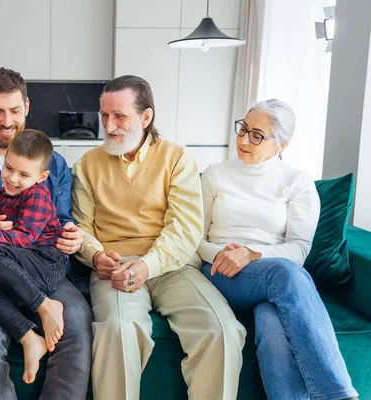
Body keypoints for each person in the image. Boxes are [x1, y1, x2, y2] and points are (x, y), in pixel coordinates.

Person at [72, 74, 246, 400]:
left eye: (119, 115)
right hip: (115, 267)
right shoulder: (87, 165)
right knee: (118, 331)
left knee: (222, 330)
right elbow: (81, 227)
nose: (109, 126)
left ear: (146, 116)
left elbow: (184, 228)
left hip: (173, 266)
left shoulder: (177, 159)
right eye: (104, 115)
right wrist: (95, 255)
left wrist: (147, 266)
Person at [0, 67, 92, 400]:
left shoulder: (54, 165)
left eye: (14, 110)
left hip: (43, 271)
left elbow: (64, 220)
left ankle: (44, 310)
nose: (7, 120)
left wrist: (74, 236)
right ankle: (30, 331)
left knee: (77, 329)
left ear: (26, 106)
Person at [198, 99, 358, 400]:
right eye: (243, 129)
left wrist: (253, 254)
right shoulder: (215, 174)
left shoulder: (297, 182)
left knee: (272, 325)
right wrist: (221, 255)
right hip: (221, 274)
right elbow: (195, 237)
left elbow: (298, 249)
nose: (244, 140)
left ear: (281, 144)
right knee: (285, 274)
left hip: (273, 277)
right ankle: (337, 394)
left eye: (257, 135)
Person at [0, 129, 68, 384]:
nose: (12, 178)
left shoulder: (38, 195)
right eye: (8, 168)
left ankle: (46, 306)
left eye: (23, 174)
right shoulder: (3, 194)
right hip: (19, 266)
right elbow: (6, 238)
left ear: (42, 177)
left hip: (46, 262)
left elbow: (24, 239)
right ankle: (29, 337)